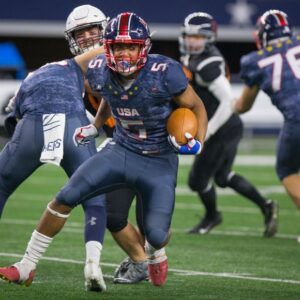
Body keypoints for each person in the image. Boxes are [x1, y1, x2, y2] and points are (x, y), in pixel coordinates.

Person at [0, 12, 207, 288]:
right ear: (108, 48)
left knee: (156, 233)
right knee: (67, 196)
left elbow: (197, 107)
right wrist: (96, 125)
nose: (124, 53)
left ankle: (156, 252)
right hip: (121, 149)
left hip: (158, 157)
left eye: (130, 47)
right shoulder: (98, 69)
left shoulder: (165, 72)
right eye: (118, 47)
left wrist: (198, 141)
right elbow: (110, 93)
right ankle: (27, 265)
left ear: (143, 47)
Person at [0, 41, 108, 293]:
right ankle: (93, 263)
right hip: (71, 124)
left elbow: (11, 122)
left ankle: (27, 265)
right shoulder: (73, 66)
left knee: (2, 186)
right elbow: (103, 50)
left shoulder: (31, 78)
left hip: (32, 127)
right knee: (95, 198)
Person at [65, 5, 149, 284]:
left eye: (93, 30)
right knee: (111, 212)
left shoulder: (131, 62)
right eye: (81, 33)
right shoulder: (80, 72)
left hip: (153, 148)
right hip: (121, 147)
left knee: (154, 226)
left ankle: (151, 255)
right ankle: (142, 261)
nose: (88, 37)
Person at [178, 12, 278, 236]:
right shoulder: (195, 59)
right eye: (189, 36)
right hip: (226, 126)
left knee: (197, 180)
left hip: (222, 127)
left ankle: (212, 216)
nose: (192, 40)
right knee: (222, 177)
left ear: (209, 38)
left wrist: (208, 130)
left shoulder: (208, 63)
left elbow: (228, 103)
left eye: (198, 37)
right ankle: (267, 206)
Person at [233, 10, 300, 213]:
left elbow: (243, 106)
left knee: (287, 170)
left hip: (296, 118)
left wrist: (232, 104)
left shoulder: (254, 61)